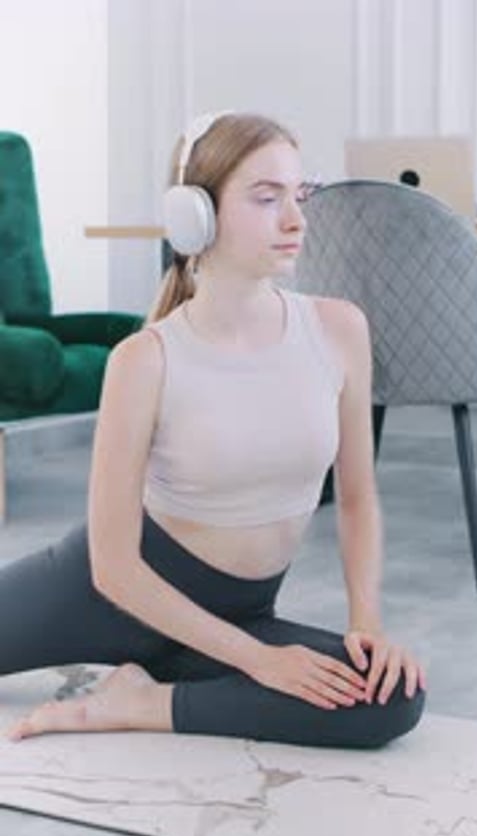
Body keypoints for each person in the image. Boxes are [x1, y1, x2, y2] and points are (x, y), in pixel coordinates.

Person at [2, 112, 426, 747]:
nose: (295, 220)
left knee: (392, 701)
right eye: (266, 198)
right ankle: (165, 685)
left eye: (298, 195)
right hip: (101, 597)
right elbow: (113, 568)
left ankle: (146, 702)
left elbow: (359, 498)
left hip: (234, 617)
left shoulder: (340, 330)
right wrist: (260, 662)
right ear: (194, 216)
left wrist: (365, 625)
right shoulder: (145, 359)